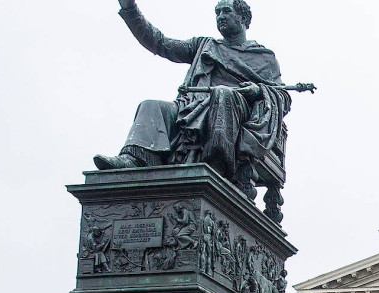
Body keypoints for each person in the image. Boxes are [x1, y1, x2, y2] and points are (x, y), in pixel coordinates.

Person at [95, 0, 292, 201]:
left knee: (223, 94)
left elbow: (283, 97)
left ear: (243, 18)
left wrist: (258, 90)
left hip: (235, 114)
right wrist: (130, 9)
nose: (220, 16)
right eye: (217, 13)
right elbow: (160, 43)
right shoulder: (205, 45)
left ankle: (216, 168)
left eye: (226, 11)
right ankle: (135, 159)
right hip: (192, 108)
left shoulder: (264, 57)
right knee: (151, 106)